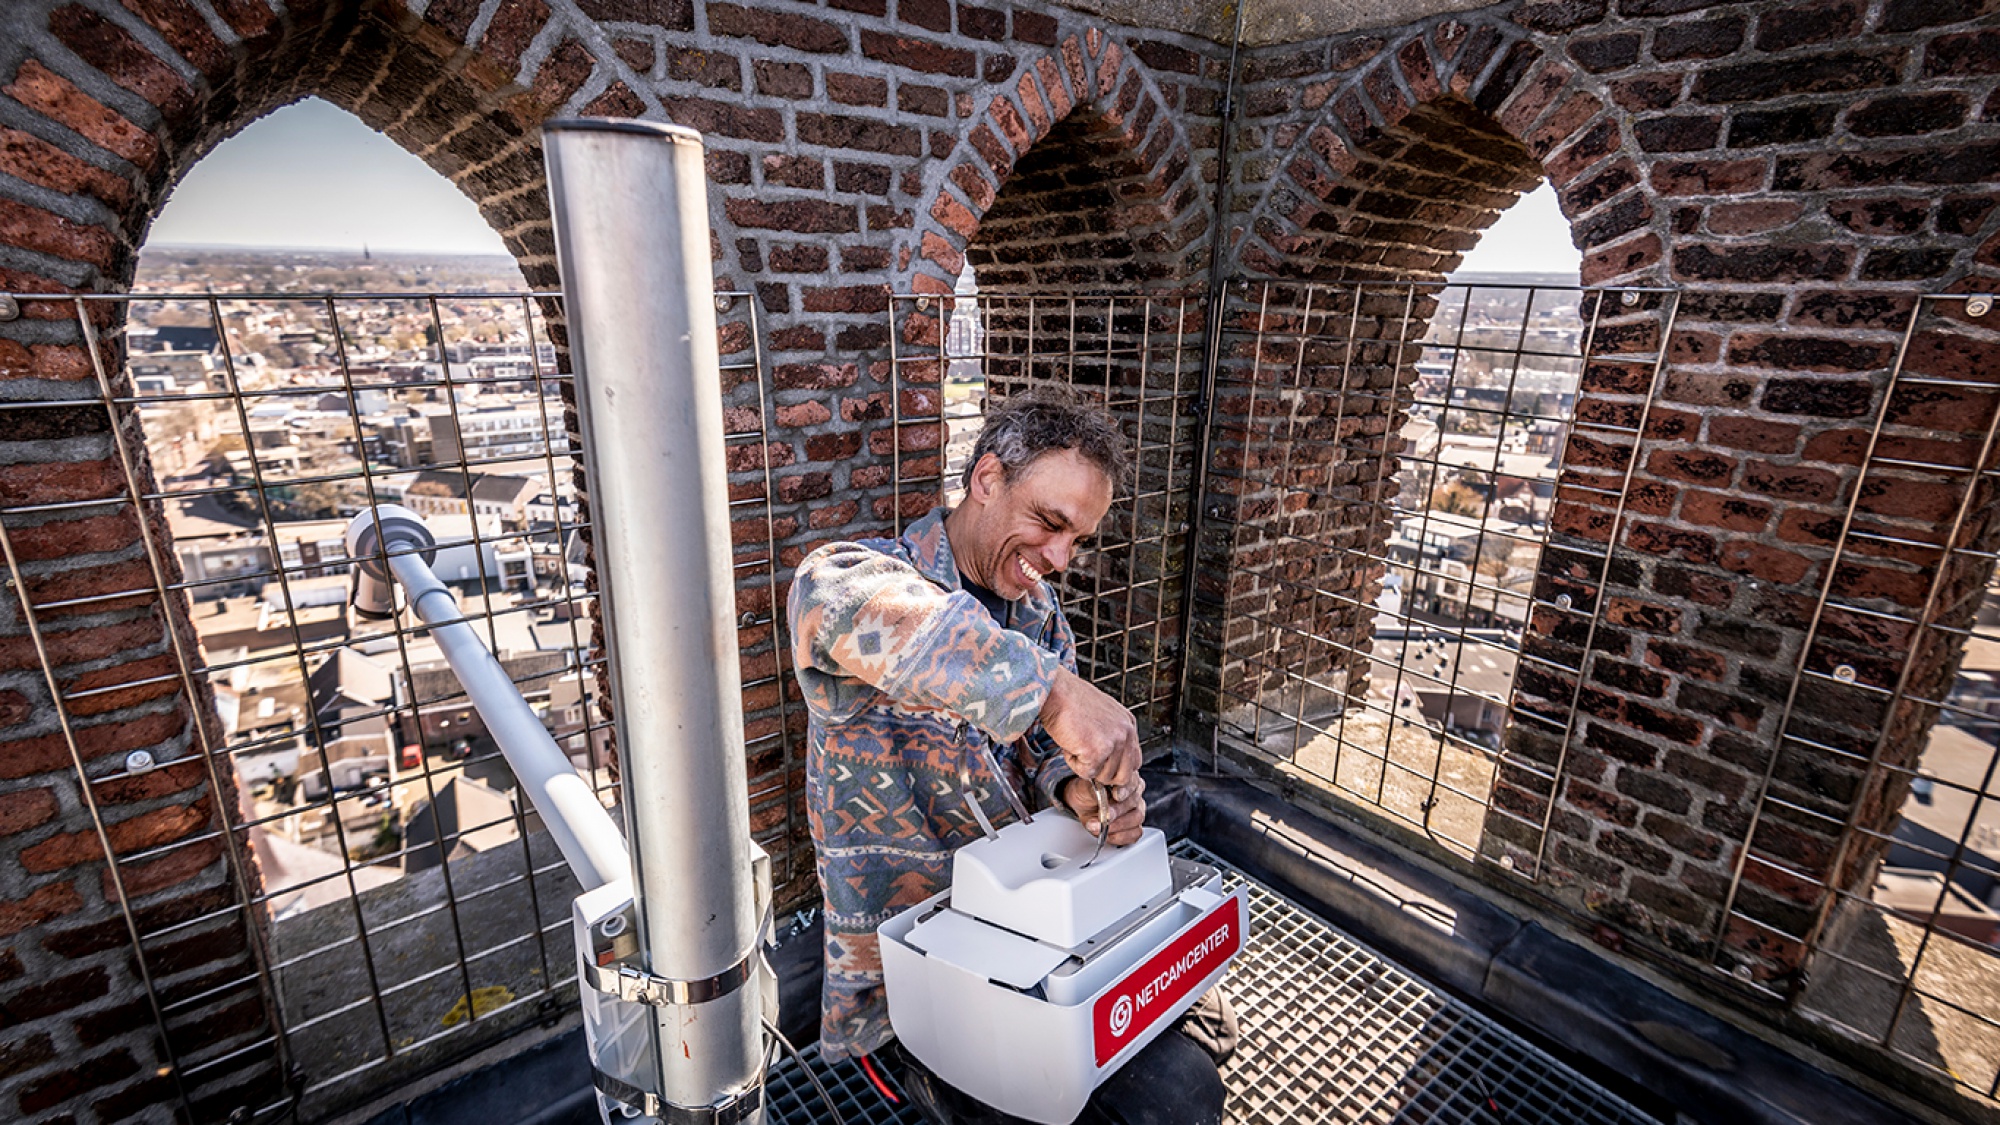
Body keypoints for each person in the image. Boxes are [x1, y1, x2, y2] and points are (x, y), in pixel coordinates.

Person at [788, 387, 1230, 1124]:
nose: (1059, 558)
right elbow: (835, 605)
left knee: (1196, 1044)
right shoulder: (859, 579)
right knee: (1158, 1103)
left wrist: (1072, 788)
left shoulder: (1037, 612)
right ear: (987, 479)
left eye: (1078, 540)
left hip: (1037, 931)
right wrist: (1055, 693)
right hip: (915, 978)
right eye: (1049, 522)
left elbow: (1032, 750)